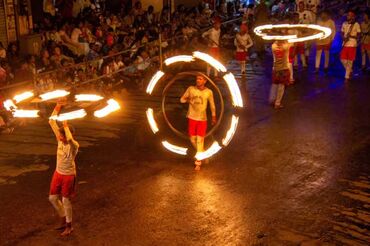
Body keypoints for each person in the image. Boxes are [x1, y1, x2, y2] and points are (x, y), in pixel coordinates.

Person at [48, 101, 79, 236]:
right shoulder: (60, 139)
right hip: (58, 173)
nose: (60, 137)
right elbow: (51, 121)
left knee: (66, 200)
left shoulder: (74, 145)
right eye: (60, 135)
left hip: (68, 175)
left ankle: (69, 225)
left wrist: (66, 126)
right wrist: (58, 106)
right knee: (53, 198)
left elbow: (71, 139)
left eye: (62, 135)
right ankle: (62, 217)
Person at [180, 75, 216, 171]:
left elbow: (212, 105)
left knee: (200, 141)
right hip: (192, 117)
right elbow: (182, 99)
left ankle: (198, 163)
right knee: (192, 140)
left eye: (200, 79)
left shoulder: (208, 92)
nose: (198, 80)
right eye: (197, 78)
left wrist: (213, 116)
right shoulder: (191, 89)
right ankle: (203, 154)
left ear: (205, 81)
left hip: (202, 119)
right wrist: (189, 100)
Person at [270, 39, 291, 109]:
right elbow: (292, 42)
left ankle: (272, 100)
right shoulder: (286, 46)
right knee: (281, 87)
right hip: (283, 69)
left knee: (275, 84)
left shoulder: (273, 46)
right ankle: (277, 103)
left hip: (276, 69)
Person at [340, 10, 361, 82]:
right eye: (348, 15)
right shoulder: (344, 23)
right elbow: (342, 32)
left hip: (352, 44)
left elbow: (358, 34)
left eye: (350, 15)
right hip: (345, 44)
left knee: (350, 61)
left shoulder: (356, 24)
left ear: (353, 16)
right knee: (342, 59)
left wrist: (352, 36)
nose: (348, 16)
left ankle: (347, 76)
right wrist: (343, 37)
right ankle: (349, 70)